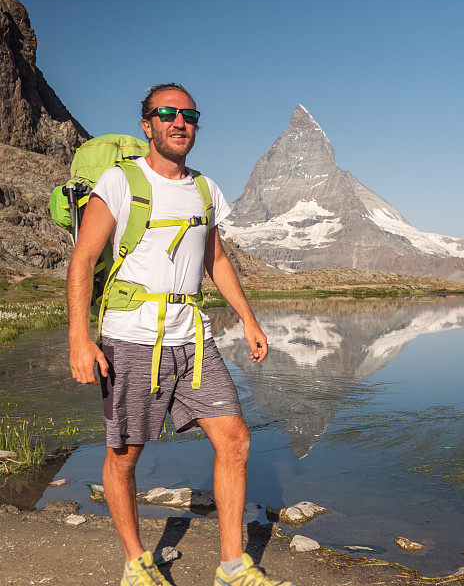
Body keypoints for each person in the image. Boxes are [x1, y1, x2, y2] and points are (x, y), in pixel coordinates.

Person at [67, 83, 294, 586]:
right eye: (166, 114)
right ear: (146, 124)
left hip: (193, 338)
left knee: (234, 437)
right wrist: (79, 339)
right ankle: (135, 562)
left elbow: (216, 259)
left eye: (189, 115)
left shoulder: (205, 189)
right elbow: (82, 260)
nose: (179, 123)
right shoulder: (119, 181)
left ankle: (232, 566)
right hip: (129, 338)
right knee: (125, 453)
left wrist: (249, 319)